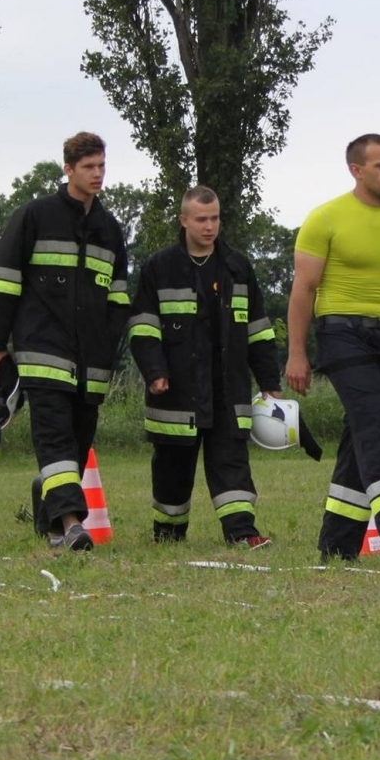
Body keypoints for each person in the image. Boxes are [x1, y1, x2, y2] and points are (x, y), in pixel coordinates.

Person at [0, 132, 130, 552]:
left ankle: (52, 528)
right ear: (68, 169)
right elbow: (1, 281)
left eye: (101, 166)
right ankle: (72, 523)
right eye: (88, 167)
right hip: (42, 352)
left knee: (78, 443)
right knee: (56, 438)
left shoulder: (109, 229)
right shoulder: (34, 216)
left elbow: (119, 298)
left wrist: (108, 345)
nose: (97, 174)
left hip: (91, 362)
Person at [128, 186, 281, 548]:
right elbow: (143, 327)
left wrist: (269, 381)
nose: (209, 226)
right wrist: (155, 371)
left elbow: (258, 330)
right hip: (176, 387)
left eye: (214, 219)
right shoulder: (159, 268)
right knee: (172, 466)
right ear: (184, 221)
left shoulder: (238, 267)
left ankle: (242, 533)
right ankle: (168, 534)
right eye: (201, 219)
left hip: (228, 386)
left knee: (232, 461)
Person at [286, 134, 380, 560]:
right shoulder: (325, 218)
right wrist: (296, 354)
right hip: (339, 333)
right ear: (356, 170)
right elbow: (303, 290)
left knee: (360, 435)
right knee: (376, 428)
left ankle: (337, 545)